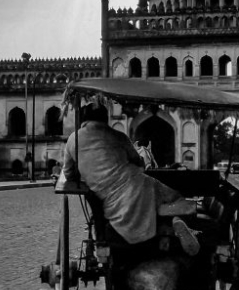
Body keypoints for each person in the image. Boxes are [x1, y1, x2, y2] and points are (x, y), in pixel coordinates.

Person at [62, 103, 199, 254]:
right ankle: (175, 219)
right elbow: (138, 162)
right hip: (141, 183)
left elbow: (69, 173)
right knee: (174, 198)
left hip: (112, 200)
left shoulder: (73, 140)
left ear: (83, 119)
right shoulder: (118, 136)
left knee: (132, 211)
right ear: (105, 118)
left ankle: (168, 220)